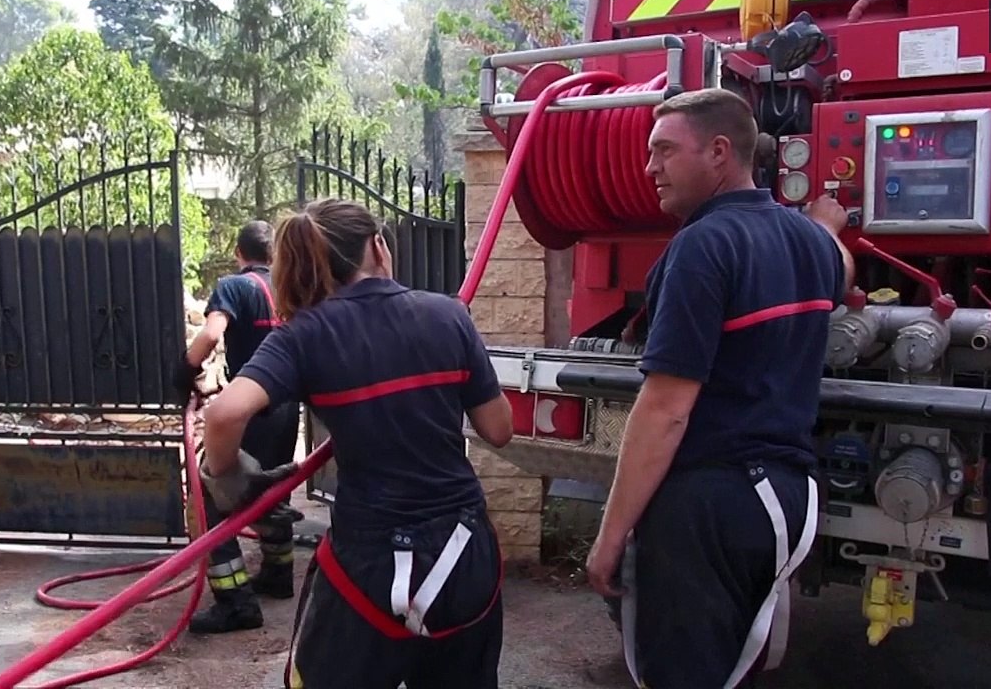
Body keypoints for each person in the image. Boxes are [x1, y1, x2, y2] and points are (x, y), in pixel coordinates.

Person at [584, 87, 855, 689]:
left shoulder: (701, 248)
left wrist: (610, 535)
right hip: (787, 503)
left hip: (709, 508)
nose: (649, 167)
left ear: (719, 152)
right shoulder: (810, 242)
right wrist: (829, 226)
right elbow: (843, 268)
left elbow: (667, 411)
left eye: (664, 151)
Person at [195, 198, 515, 689]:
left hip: (368, 563)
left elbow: (223, 414)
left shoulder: (303, 335)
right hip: (461, 552)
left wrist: (231, 480)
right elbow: (499, 430)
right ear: (378, 247)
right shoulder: (448, 316)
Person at [175, 219, 304, 634]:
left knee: (214, 499)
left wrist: (186, 369)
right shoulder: (286, 286)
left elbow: (212, 334)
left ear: (238, 252)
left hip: (249, 405)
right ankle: (279, 574)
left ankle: (235, 602)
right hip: (285, 407)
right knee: (270, 488)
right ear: (272, 255)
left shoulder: (235, 286)